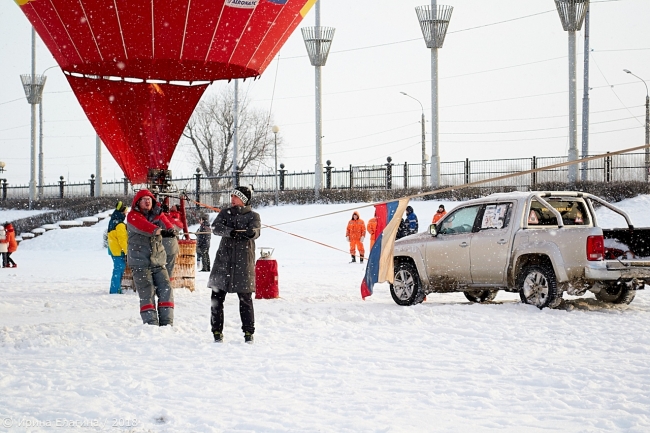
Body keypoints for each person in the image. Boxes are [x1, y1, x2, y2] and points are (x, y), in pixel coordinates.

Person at [208, 186, 261, 344]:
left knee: (245, 299)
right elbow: (216, 228)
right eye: (231, 196)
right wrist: (230, 231)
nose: (232, 199)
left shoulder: (254, 216)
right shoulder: (225, 213)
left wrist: (250, 232)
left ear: (243, 200)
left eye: (235, 197)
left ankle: (248, 332)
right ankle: (216, 331)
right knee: (216, 298)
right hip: (223, 263)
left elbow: (256, 232)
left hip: (243, 264)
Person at [127, 190, 177, 326]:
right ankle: (151, 325)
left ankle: (167, 323)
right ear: (138, 203)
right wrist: (160, 231)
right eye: (143, 199)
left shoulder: (157, 214)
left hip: (158, 261)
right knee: (147, 292)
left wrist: (170, 230)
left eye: (149, 198)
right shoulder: (132, 216)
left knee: (166, 289)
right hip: (140, 262)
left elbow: (167, 224)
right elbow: (144, 227)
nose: (147, 201)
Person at [107, 201, 128, 294]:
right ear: (122, 213)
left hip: (113, 249)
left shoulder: (112, 221)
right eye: (125, 213)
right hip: (118, 251)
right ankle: (115, 290)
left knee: (118, 269)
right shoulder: (120, 225)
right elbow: (122, 240)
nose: (126, 215)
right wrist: (127, 251)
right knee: (118, 269)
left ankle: (116, 288)